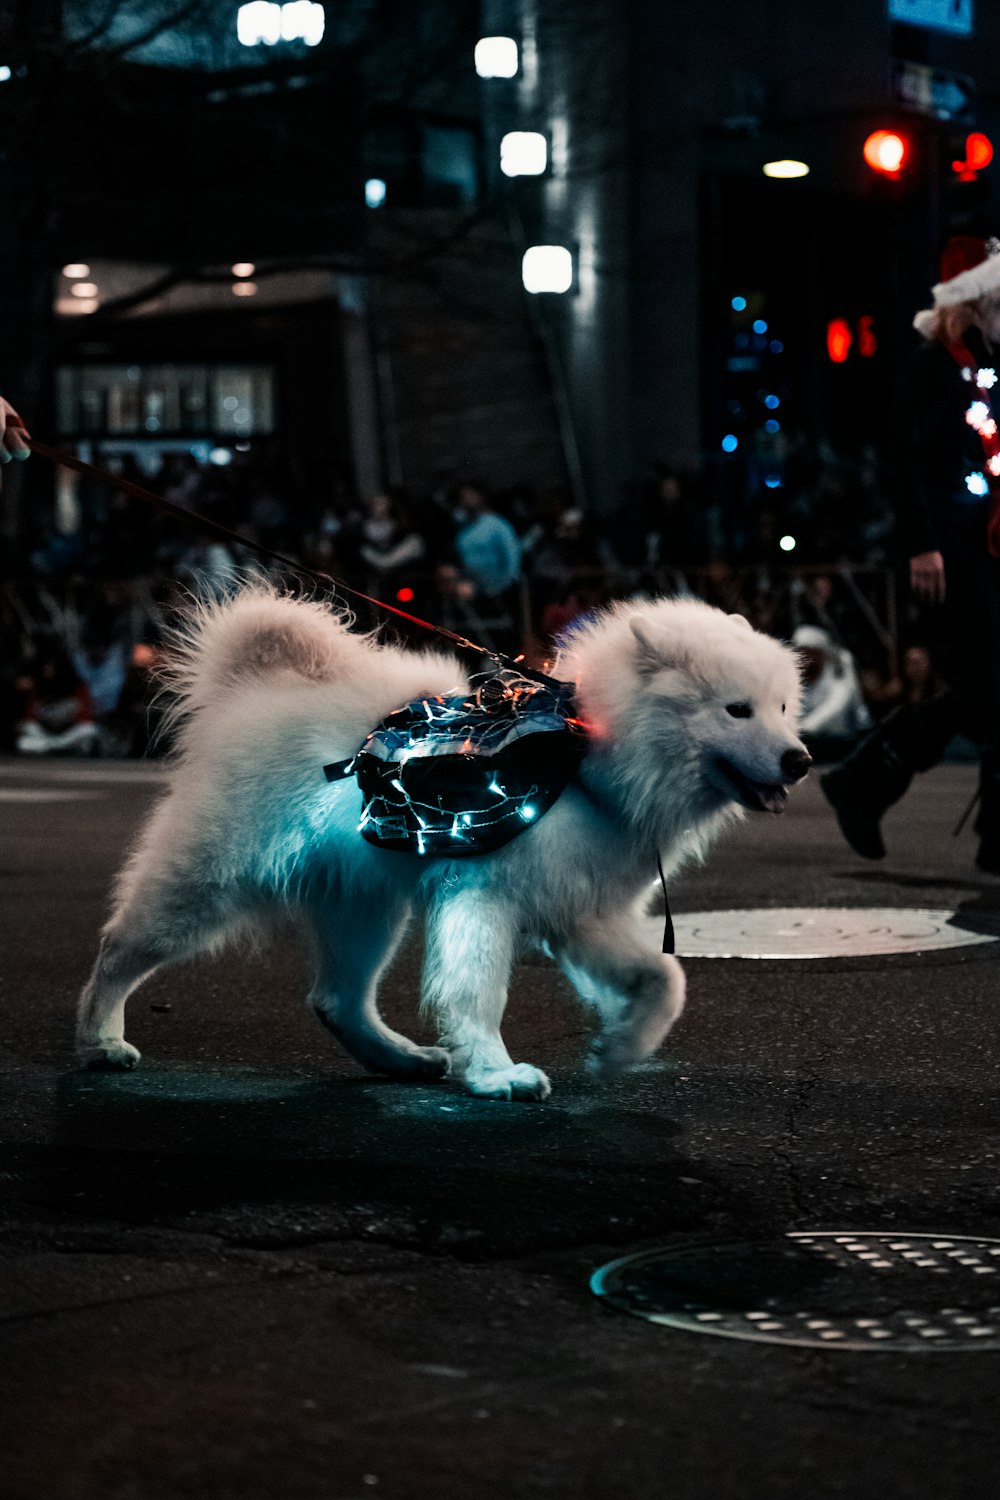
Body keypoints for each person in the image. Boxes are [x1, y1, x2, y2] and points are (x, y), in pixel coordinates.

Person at [821, 236, 1000, 870]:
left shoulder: (987, 363)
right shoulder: (931, 367)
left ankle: (994, 838)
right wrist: (923, 543)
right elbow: (907, 461)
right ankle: (865, 778)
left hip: (986, 540)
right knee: (984, 683)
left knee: (990, 684)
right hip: (954, 545)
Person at [792, 624, 871, 762]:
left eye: (806, 652)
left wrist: (800, 729)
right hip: (812, 745)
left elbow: (835, 707)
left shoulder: (839, 670)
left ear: (819, 653)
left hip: (843, 744)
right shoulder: (799, 676)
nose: (801, 658)